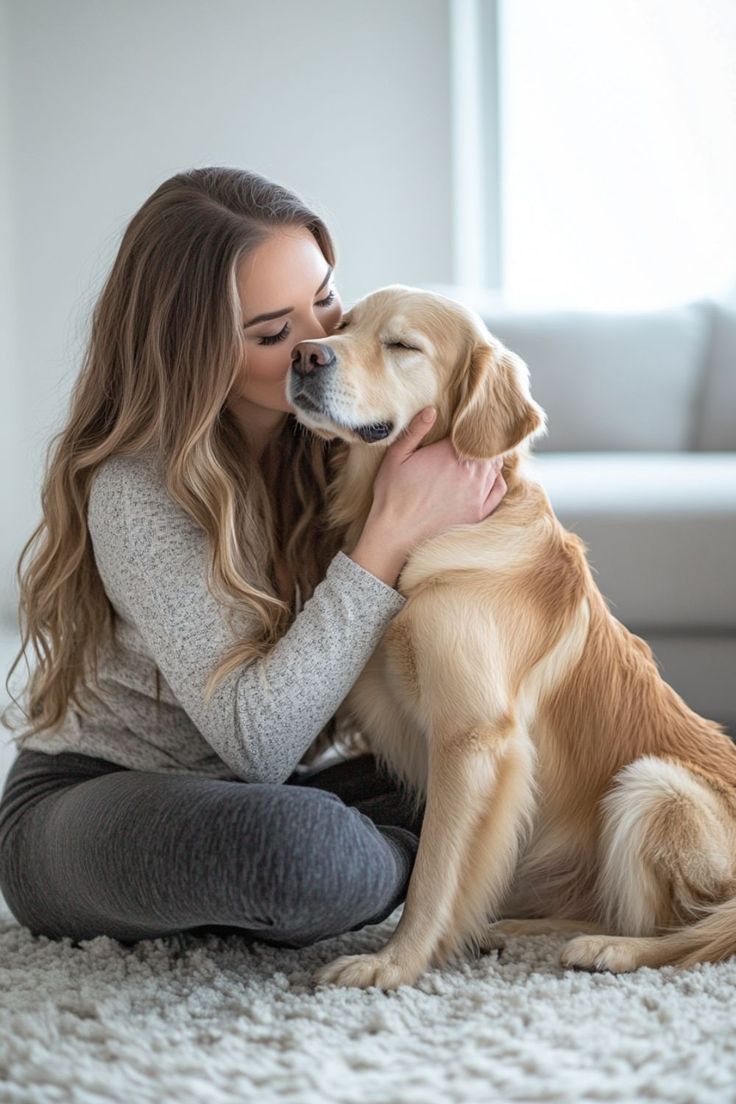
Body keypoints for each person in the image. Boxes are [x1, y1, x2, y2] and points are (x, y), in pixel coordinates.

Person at [0, 167, 507, 949]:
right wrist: (387, 536)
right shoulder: (138, 490)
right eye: (273, 334)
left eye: (328, 300)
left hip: (272, 786)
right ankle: (423, 864)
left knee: (509, 771)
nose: (319, 347)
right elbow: (259, 743)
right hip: (97, 799)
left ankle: (416, 856)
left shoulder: (337, 428)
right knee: (296, 853)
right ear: (196, 352)